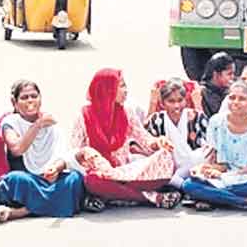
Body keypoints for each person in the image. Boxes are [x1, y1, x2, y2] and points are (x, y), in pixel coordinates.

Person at [70, 68, 179, 210]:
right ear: (107, 89)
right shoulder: (83, 116)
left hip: (126, 173)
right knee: (92, 181)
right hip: (100, 174)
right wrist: (88, 154)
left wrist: (159, 143)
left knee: (165, 157)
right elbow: (74, 153)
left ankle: (111, 196)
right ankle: (152, 197)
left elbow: (145, 140)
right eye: (121, 86)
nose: (126, 91)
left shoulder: (127, 112)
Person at [0, 80, 85, 223]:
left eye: (34, 96)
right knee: (14, 179)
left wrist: (55, 169)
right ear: (15, 102)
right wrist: (37, 125)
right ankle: (54, 204)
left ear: (40, 99)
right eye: (24, 98)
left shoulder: (51, 123)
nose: (30, 101)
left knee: (74, 179)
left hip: (50, 179)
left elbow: (62, 155)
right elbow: (17, 149)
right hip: (28, 178)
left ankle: (22, 212)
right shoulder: (10, 122)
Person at [182, 81, 247, 215]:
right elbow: (220, 164)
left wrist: (225, 176)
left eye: (242, 99)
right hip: (221, 178)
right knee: (188, 185)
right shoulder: (216, 122)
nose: (235, 102)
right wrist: (204, 169)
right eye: (232, 98)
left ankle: (212, 198)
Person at [145, 78, 210, 189]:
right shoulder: (155, 120)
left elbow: (207, 147)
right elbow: (147, 145)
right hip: (167, 166)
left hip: (194, 166)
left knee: (200, 156)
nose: (176, 106)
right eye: (171, 101)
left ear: (186, 101)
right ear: (162, 103)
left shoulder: (197, 116)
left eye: (180, 100)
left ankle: (178, 182)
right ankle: (182, 185)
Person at [197, 52, 236, 118]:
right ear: (216, 74)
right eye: (229, 74)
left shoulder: (227, 89)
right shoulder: (204, 92)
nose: (232, 77)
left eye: (233, 74)